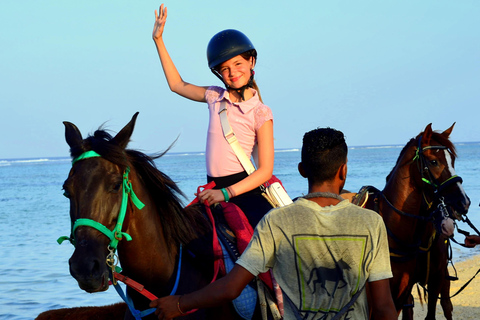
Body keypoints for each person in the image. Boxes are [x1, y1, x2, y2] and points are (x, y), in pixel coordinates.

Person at [149, 127, 397, 320]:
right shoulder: (370, 223)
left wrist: (180, 303)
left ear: (301, 169)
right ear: (343, 171)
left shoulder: (277, 221)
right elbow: (385, 307)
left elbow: (232, 288)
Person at [152, 4, 274, 227]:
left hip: (242, 191)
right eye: (225, 68)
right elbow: (177, 84)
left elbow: (265, 170)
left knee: (265, 245)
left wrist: (226, 194)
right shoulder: (214, 96)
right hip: (211, 190)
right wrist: (158, 40)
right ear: (219, 73)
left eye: (238, 64)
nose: (232, 72)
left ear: (251, 62)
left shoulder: (260, 112)